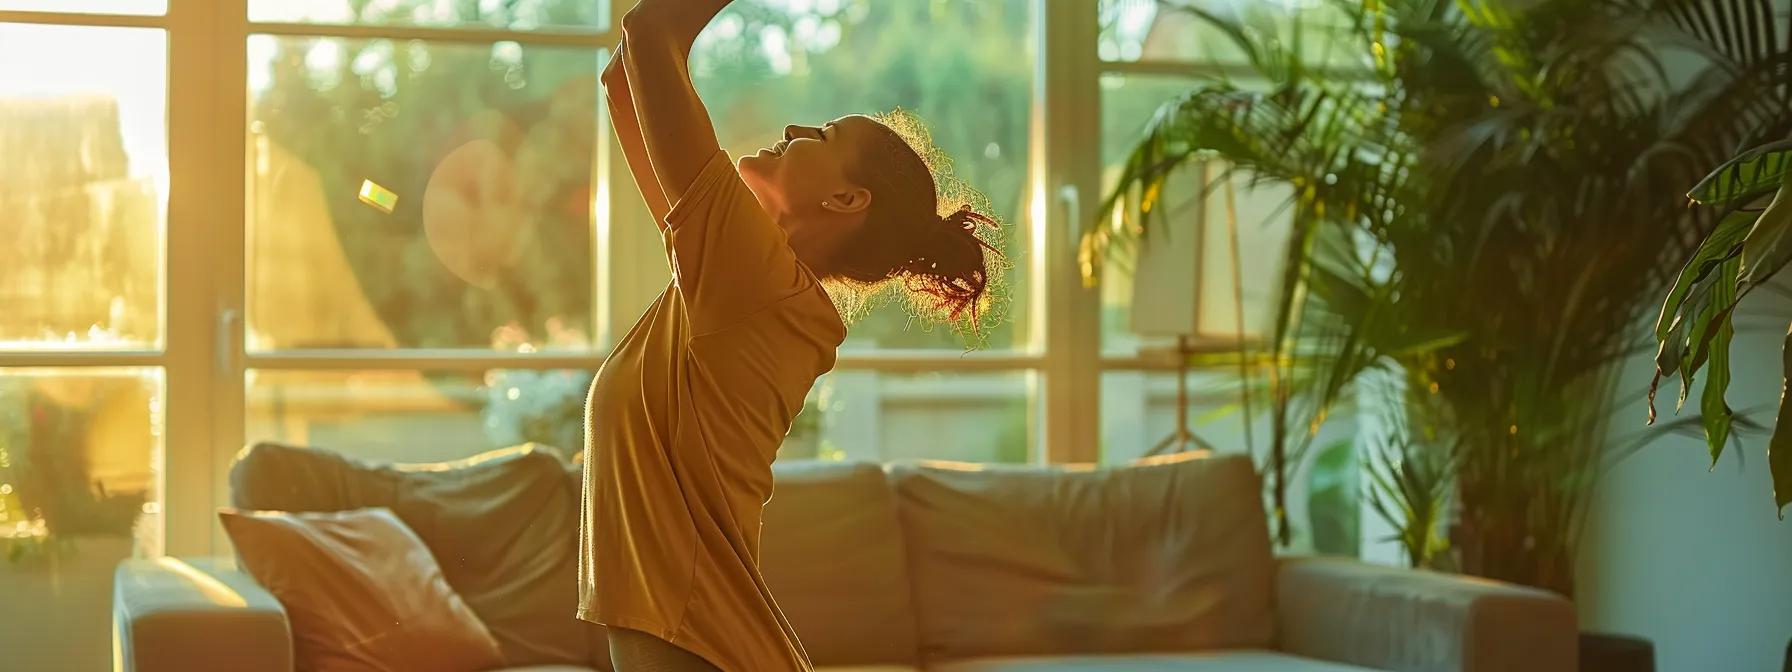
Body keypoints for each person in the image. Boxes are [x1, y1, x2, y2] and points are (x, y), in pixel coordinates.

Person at [578, 1, 1003, 671]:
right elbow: (624, 76)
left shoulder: (755, 283)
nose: (794, 127)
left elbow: (648, 35)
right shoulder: (732, 278)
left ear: (845, 199)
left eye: (824, 134)